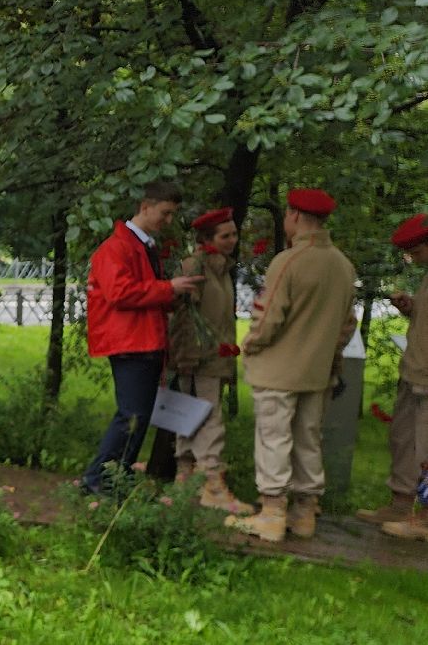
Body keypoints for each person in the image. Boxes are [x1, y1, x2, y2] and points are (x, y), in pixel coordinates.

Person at [228, 188, 358, 543]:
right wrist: (327, 352)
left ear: (295, 217)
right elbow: (348, 324)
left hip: (278, 371)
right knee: (308, 439)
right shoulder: (343, 265)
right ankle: (304, 515)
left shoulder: (287, 261)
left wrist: (250, 344)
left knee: (274, 438)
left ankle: (271, 513)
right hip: (318, 372)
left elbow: (267, 319)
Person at [81, 181, 203, 494]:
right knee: (131, 416)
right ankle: (99, 480)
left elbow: (139, 294)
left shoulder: (141, 246)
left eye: (172, 214)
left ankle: (114, 478)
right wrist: (168, 289)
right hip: (129, 342)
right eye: (165, 213)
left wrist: (171, 296)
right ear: (145, 207)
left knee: (137, 416)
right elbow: (119, 293)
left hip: (142, 340)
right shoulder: (117, 248)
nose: (168, 221)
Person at [167, 206, 252, 514]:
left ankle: (185, 480)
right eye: (225, 235)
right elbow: (182, 318)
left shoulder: (221, 269)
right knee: (207, 417)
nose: (232, 240)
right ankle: (213, 485)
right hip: (199, 359)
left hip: (213, 358)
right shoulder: (195, 267)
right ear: (208, 238)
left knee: (193, 414)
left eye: (234, 234)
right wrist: (185, 356)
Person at [360, 214, 428, 538]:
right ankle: (401, 504)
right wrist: (411, 307)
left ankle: (425, 519)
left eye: (416, 251)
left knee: (425, 448)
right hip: (413, 370)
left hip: (426, 378)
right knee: (403, 440)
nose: (412, 258)